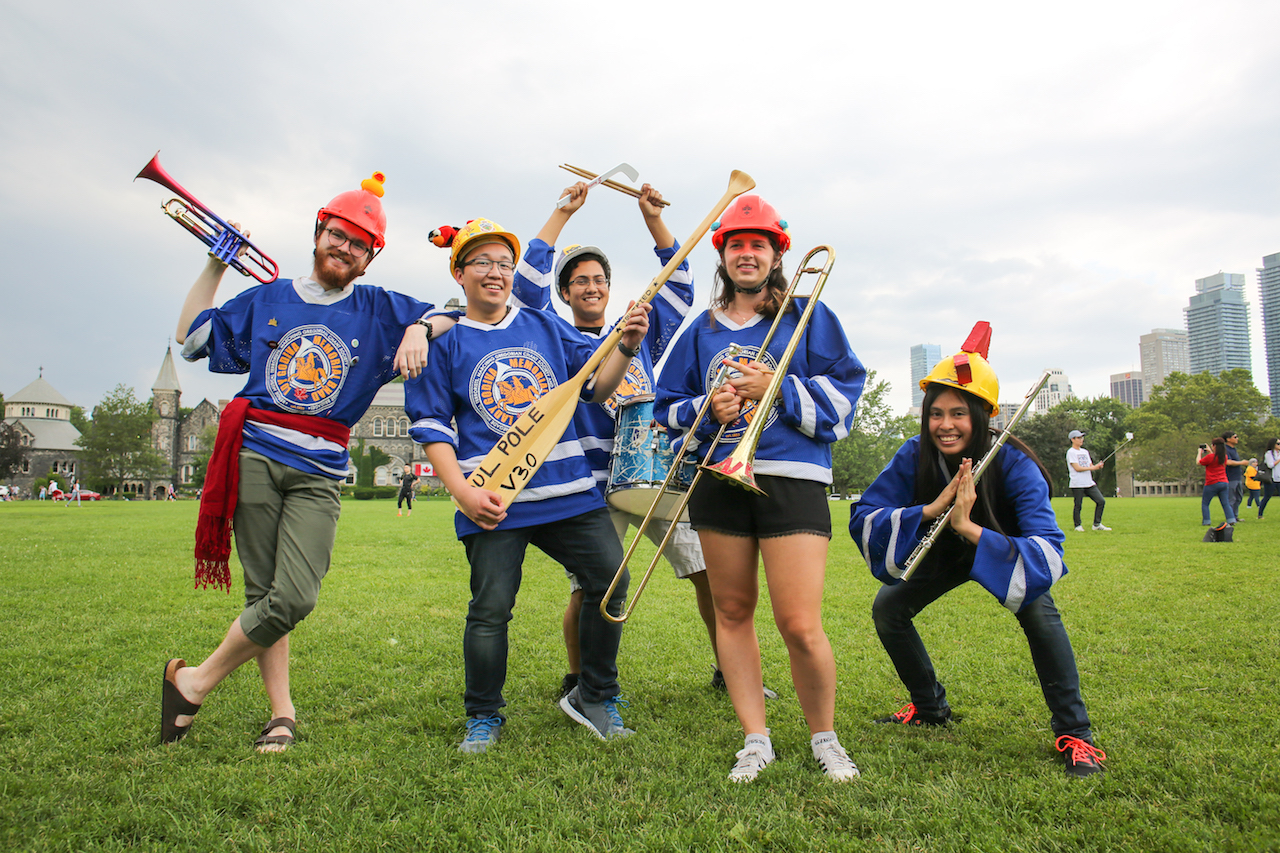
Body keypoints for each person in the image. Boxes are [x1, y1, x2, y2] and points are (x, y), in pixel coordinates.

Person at [160, 172, 436, 753]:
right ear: (319, 233)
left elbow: (452, 312)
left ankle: (194, 680)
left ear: (369, 259)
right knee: (264, 595)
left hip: (320, 467)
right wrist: (215, 264)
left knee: (296, 596)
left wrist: (418, 326)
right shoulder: (267, 296)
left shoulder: (381, 307)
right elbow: (189, 338)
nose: (346, 247)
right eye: (338, 234)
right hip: (256, 452)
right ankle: (281, 713)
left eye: (360, 244)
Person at [405, 217, 651, 754]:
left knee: (610, 581)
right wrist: (464, 494)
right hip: (494, 498)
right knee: (491, 608)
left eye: (504, 264)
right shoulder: (443, 343)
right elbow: (432, 430)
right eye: (482, 263)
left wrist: (626, 349)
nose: (495, 273)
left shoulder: (542, 325)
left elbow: (593, 390)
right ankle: (484, 715)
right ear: (460, 272)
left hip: (568, 490)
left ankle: (594, 693)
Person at [655, 194, 866, 783]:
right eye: (737, 245)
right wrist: (708, 404)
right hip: (720, 479)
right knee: (731, 609)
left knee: (799, 622)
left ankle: (824, 737)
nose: (747, 254)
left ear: (777, 255)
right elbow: (666, 409)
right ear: (723, 255)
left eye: (759, 245)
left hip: (792, 476)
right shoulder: (701, 330)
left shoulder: (809, 315)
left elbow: (848, 392)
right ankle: (755, 737)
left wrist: (778, 385)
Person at [510, 181, 749, 699]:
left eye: (598, 279)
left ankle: (729, 669)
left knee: (705, 569)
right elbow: (524, 289)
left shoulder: (635, 326)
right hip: (594, 483)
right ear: (566, 293)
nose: (591, 287)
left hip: (655, 467)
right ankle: (577, 679)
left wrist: (652, 219)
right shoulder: (552, 334)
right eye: (579, 282)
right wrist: (560, 214)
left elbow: (680, 284)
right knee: (591, 586)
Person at [851, 323, 1107, 778]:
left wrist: (968, 526)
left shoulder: (1015, 463)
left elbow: (1047, 548)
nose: (945, 425)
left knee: (1041, 617)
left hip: (998, 552)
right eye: (935, 413)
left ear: (981, 414)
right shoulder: (913, 453)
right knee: (888, 609)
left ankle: (1076, 733)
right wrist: (931, 509)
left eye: (957, 413)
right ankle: (930, 707)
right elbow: (866, 512)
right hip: (940, 552)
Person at [1066, 430, 1109, 532]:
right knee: (1078, 505)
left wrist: (1097, 466)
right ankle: (1078, 526)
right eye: (1078, 438)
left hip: (1088, 482)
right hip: (1077, 483)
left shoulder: (1085, 452)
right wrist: (1093, 468)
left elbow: (1090, 466)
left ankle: (1097, 524)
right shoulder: (1071, 452)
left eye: (1082, 437)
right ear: (1073, 439)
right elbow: (1077, 468)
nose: (1081, 440)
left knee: (1101, 501)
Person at [1198, 438, 1236, 526]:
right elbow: (1215, 459)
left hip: (1212, 482)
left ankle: (1206, 521)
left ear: (1214, 446)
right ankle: (1231, 519)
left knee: (1205, 503)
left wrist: (1199, 453)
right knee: (1225, 503)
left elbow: (1199, 462)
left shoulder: (1210, 457)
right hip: (1224, 482)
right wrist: (1210, 451)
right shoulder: (1224, 457)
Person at [1258, 437, 1280, 519]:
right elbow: (1270, 465)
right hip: (1271, 478)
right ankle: (1260, 514)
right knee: (1267, 496)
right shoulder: (1269, 453)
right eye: (1278, 443)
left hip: (1279, 477)